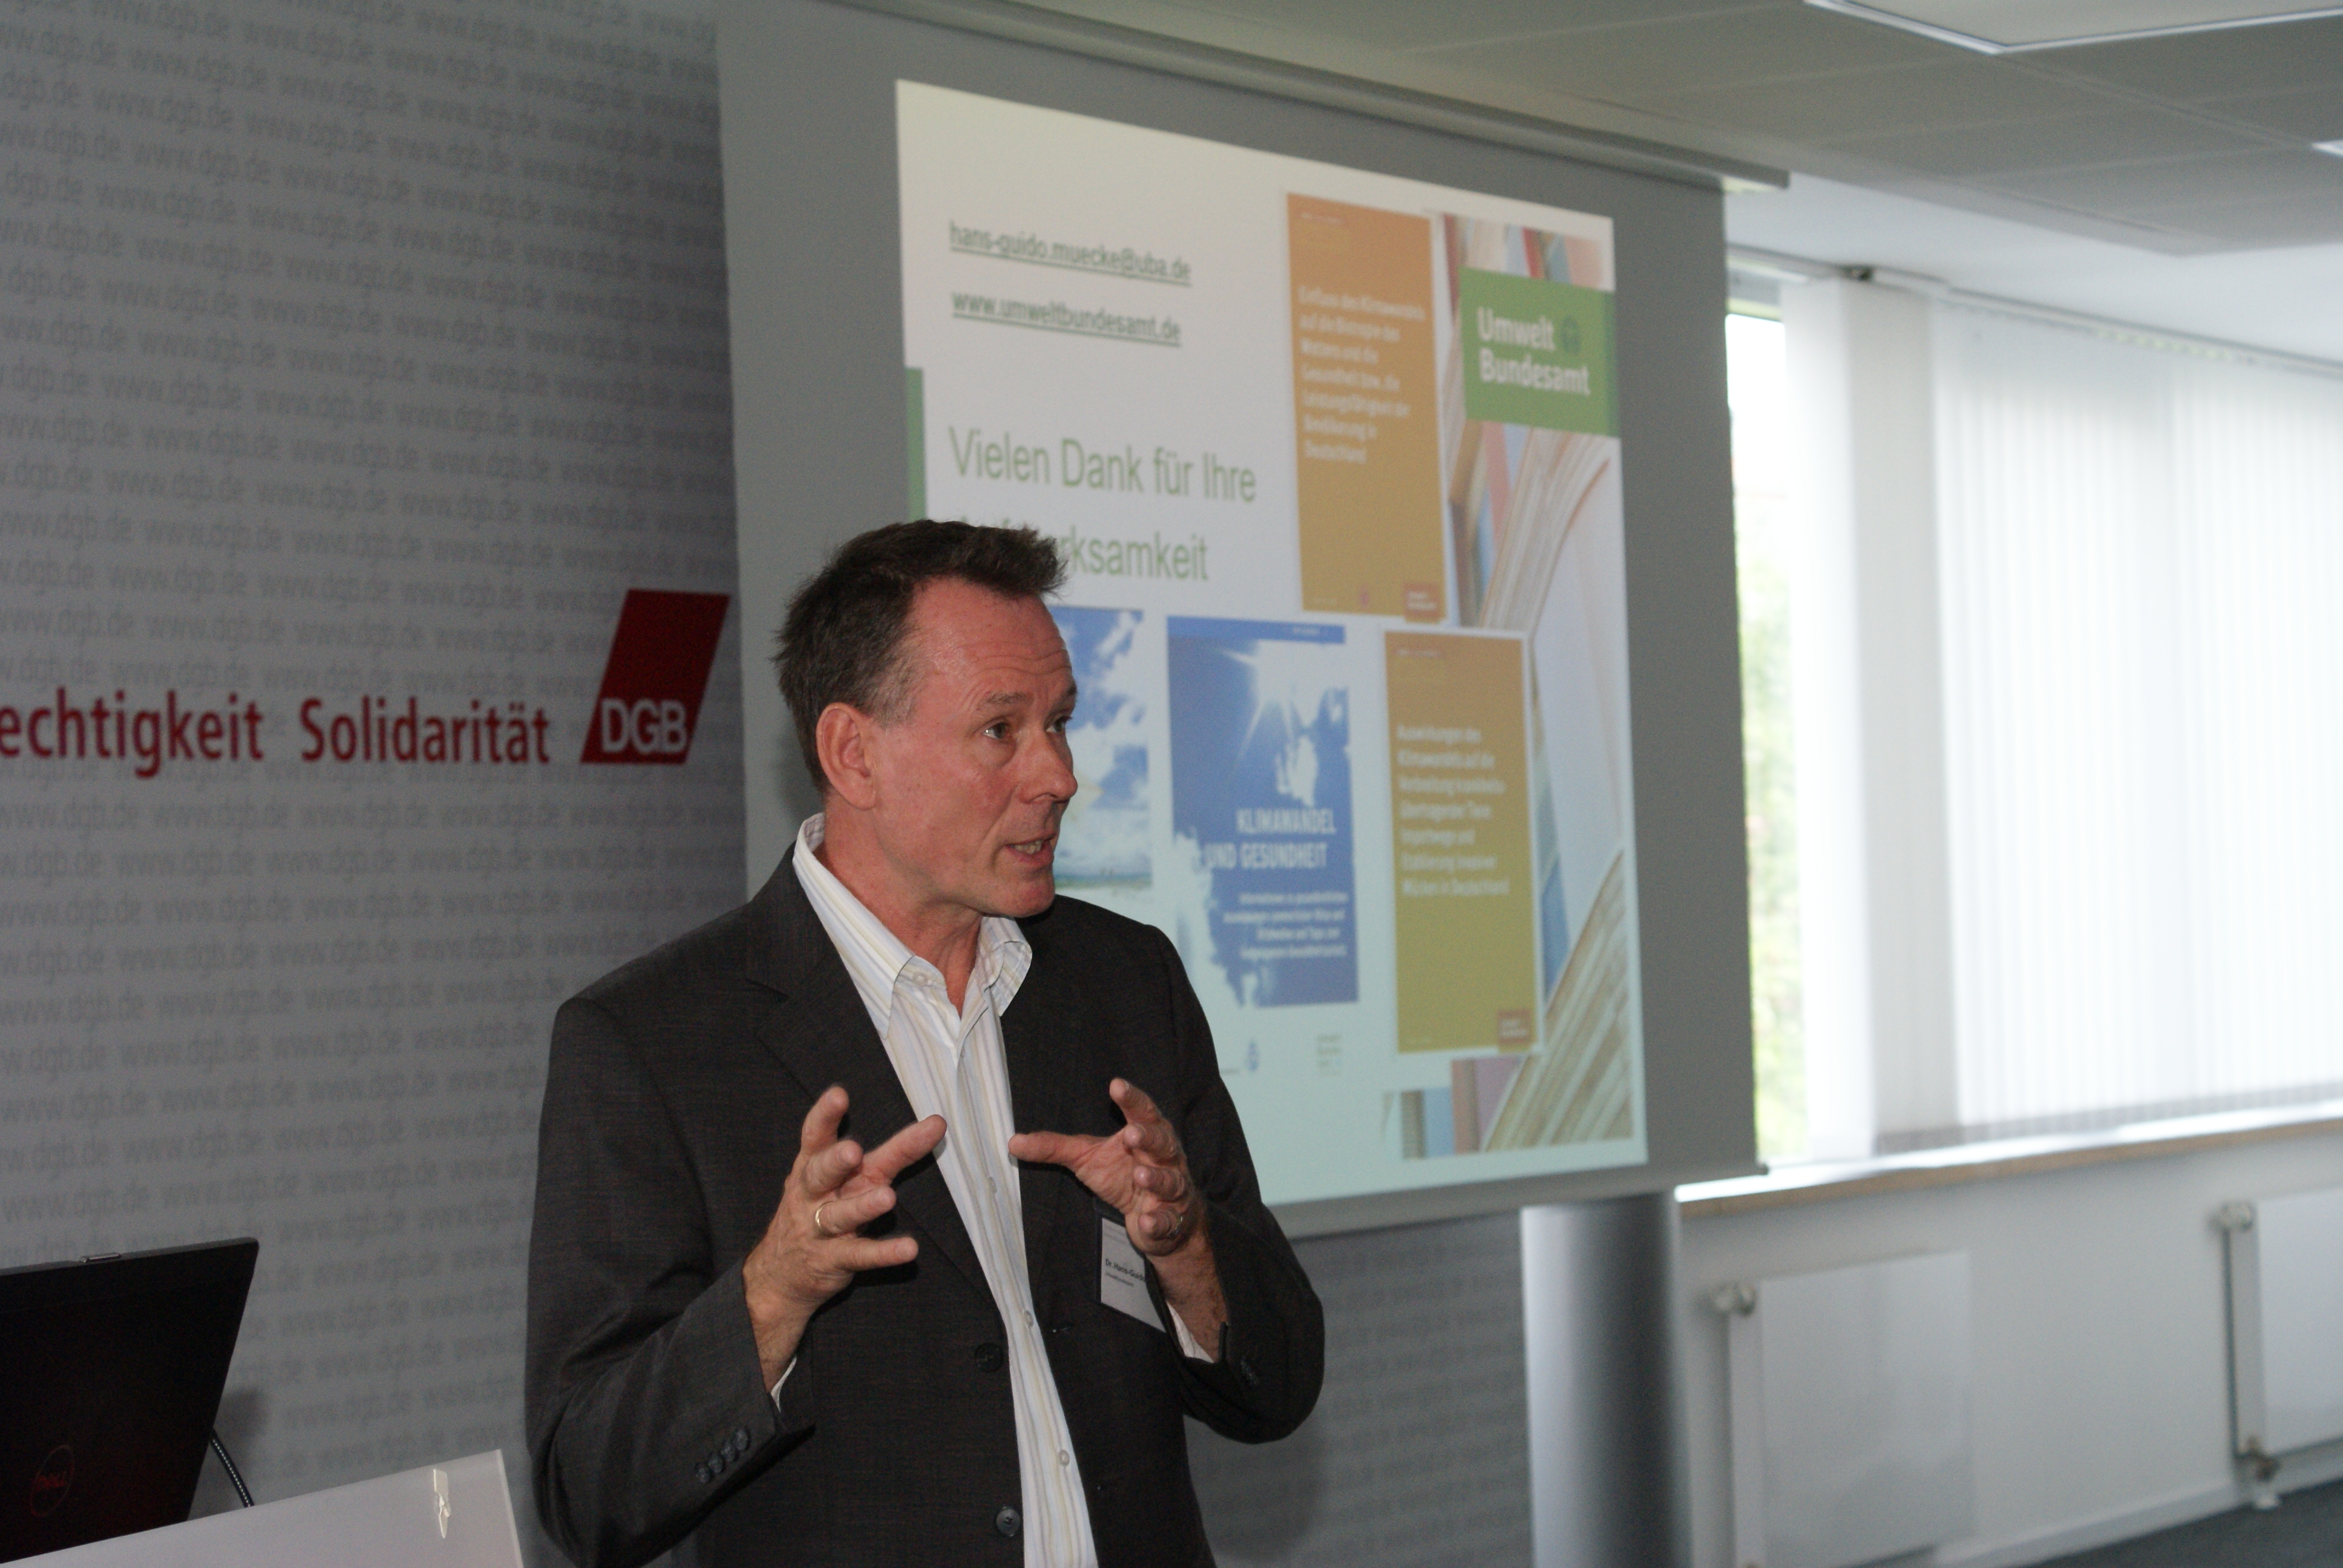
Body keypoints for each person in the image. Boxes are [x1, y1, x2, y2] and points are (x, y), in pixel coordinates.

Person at [525, 521, 1323, 1568]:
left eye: (1060, 723)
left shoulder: (1127, 983)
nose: (1058, 774)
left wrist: (1185, 1248)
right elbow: (586, 1490)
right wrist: (774, 1294)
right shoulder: (653, 1043)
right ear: (854, 754)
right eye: (1001, 730)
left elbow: (1280, 1384)